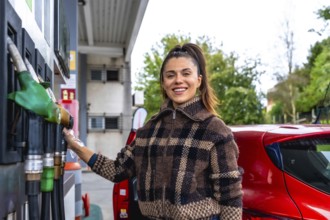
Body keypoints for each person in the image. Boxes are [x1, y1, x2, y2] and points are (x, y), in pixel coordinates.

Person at [63, 43, 243, 220]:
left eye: (186, 73)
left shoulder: (214, 129)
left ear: (199, 80)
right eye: (170, 75)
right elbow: (117, 170)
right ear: (163, 82)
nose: (178, 80)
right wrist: (76, 146)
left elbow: (230, 197)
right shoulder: (149, 130)